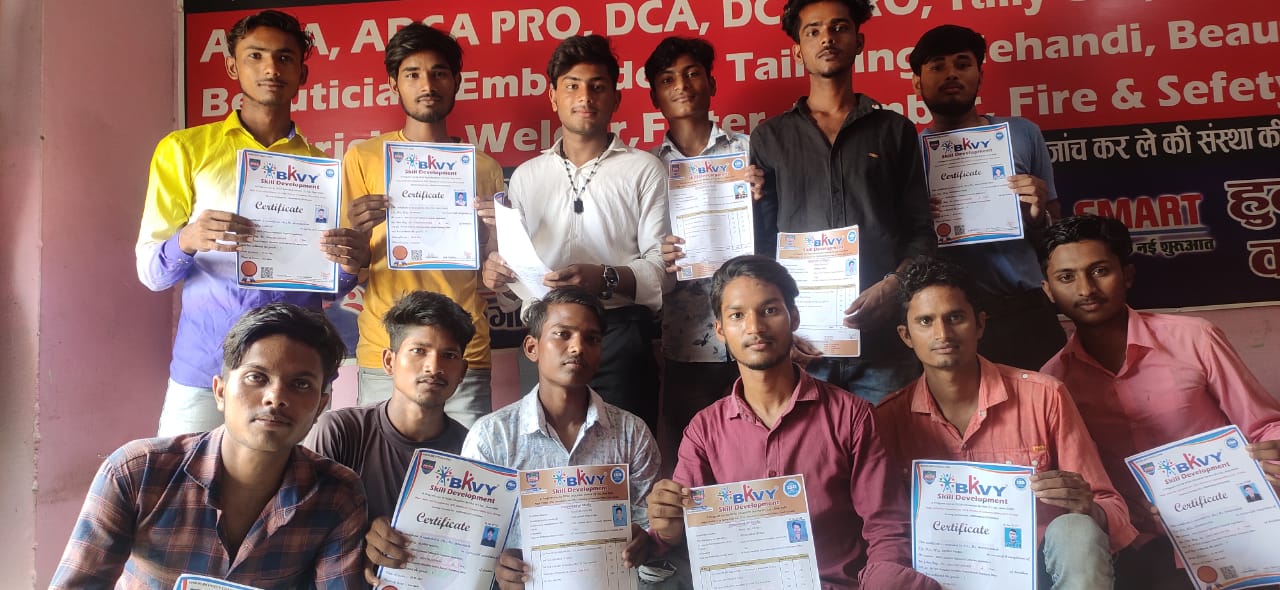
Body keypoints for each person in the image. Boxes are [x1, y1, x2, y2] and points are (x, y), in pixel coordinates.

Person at [136, 10, 370, 437]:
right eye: (255, 56)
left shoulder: (322, 169)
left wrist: (350, 264)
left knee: (293, 481)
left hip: (295, 372)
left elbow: (328, 286)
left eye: (284, 58)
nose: (270, 69)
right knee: (184, 479)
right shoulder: (185, 150)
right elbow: (151, 273)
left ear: (302, 73)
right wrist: (188, 239)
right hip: (206, 368)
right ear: (232, 66)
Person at [646, 256, 940, 589]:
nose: (755, 327)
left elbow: (886, 528)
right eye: (737, 315)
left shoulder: (852, 416)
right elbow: (681, 525)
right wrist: (668, 524)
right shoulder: (704, 430)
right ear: (720, 330)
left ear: (794, 317)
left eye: (770, 310)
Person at [1038, 215, 1280, 590]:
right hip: (1139, 544)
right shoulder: (1053, 382)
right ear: (1049, 290)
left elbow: (1264, 426)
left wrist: (1271, 462)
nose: (1086, 289)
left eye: (1100, 270)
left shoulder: (1194, 339)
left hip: (1234, 526)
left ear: (1127, 275)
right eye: (1066, 277)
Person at [51, 303, 366, 589]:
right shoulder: (138, 472)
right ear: (220, 392)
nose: (275, 397)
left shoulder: (337, 495)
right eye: (257, 377)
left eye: (301, 384)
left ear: (320, 405)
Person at [875, 256, 1136, 589]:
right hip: (941, 578)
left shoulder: (1044, 396)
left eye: (956, 317)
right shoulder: (887, 419)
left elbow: (1111, 506)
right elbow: (884, 528)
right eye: (925, 321)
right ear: (906, 335)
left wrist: (1088, 507)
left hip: (1040, 573)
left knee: (1078, 529)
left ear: (980, 324)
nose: (943, 333)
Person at [482, 35, 668, 431]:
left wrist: (604, 277)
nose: (585, 96)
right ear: (553, 97)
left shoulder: (644, 169)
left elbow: (662, 269)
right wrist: (500, 277)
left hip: (619, 333)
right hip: (545, 332)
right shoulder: (527, 176)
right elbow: (517, 279)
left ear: (616, 99)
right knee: (544, 452)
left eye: (598, 86)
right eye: (572, 86)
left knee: (625, 449)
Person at [750, 0, 934, 403]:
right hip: (805, 347)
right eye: (813, 31)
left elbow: (921, 232)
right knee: (812, 446)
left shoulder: (895, 131)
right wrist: (779, 323)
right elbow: (761, 246)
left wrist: (894, 286)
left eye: (839, 28)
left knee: (889, 443)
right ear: (797, 50)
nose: (827, 38)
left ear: (859, 41)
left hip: (885, 343)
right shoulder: (769, 138)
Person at [341, 23, 504, 427]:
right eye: (412, 74)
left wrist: (494, 263)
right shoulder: (364, 158)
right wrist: (356, 240)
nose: (427, 85)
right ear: (393, 84)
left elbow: (495, 267)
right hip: (386, 350)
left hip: (463, 351)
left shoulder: (484, 168)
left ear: (456, 81)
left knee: (466, 466)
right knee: (379, 464)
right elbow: (350, 268)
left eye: (438, 73)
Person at [458, 287, 661, 589]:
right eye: (562, 334)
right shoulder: (491, 436)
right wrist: (494, 566)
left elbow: (649, 524)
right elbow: (470, 538)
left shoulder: (632, 433)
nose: (577, 347)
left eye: (591, 339)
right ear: (532, 348)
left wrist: (647, 542)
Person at [908, 24, 1066, 371]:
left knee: (1047, 403)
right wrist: (919, 222)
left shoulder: (1022, 133)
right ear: (917, 82)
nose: (951, 74)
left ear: (979, 75)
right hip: (948, 321)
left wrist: (1037, 215)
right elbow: (900, 246)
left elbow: (1057, 235)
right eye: (937, 66)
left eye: (962, 64)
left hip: (1025, 311)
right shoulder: (906, 154)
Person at [303, 291, 472, 585]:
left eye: (449, 355)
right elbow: (301, 536)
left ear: (462, 371)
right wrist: (359, 536)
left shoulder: (472, 450)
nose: (433, 367)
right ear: (389, 361)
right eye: (418, 351)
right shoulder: (340, 431)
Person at [644, 36, 762, 455]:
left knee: (761, 453)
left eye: (693, 74)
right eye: (667, 79)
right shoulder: (647, 167)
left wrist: (764, 197)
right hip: (686, 340)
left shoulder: (750, 151)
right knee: (695, 460)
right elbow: (639, 252)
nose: (682, 85)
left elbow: (781, 229)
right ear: (655, 97)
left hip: (755, 334)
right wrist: (658, 255)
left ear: (711, 83)